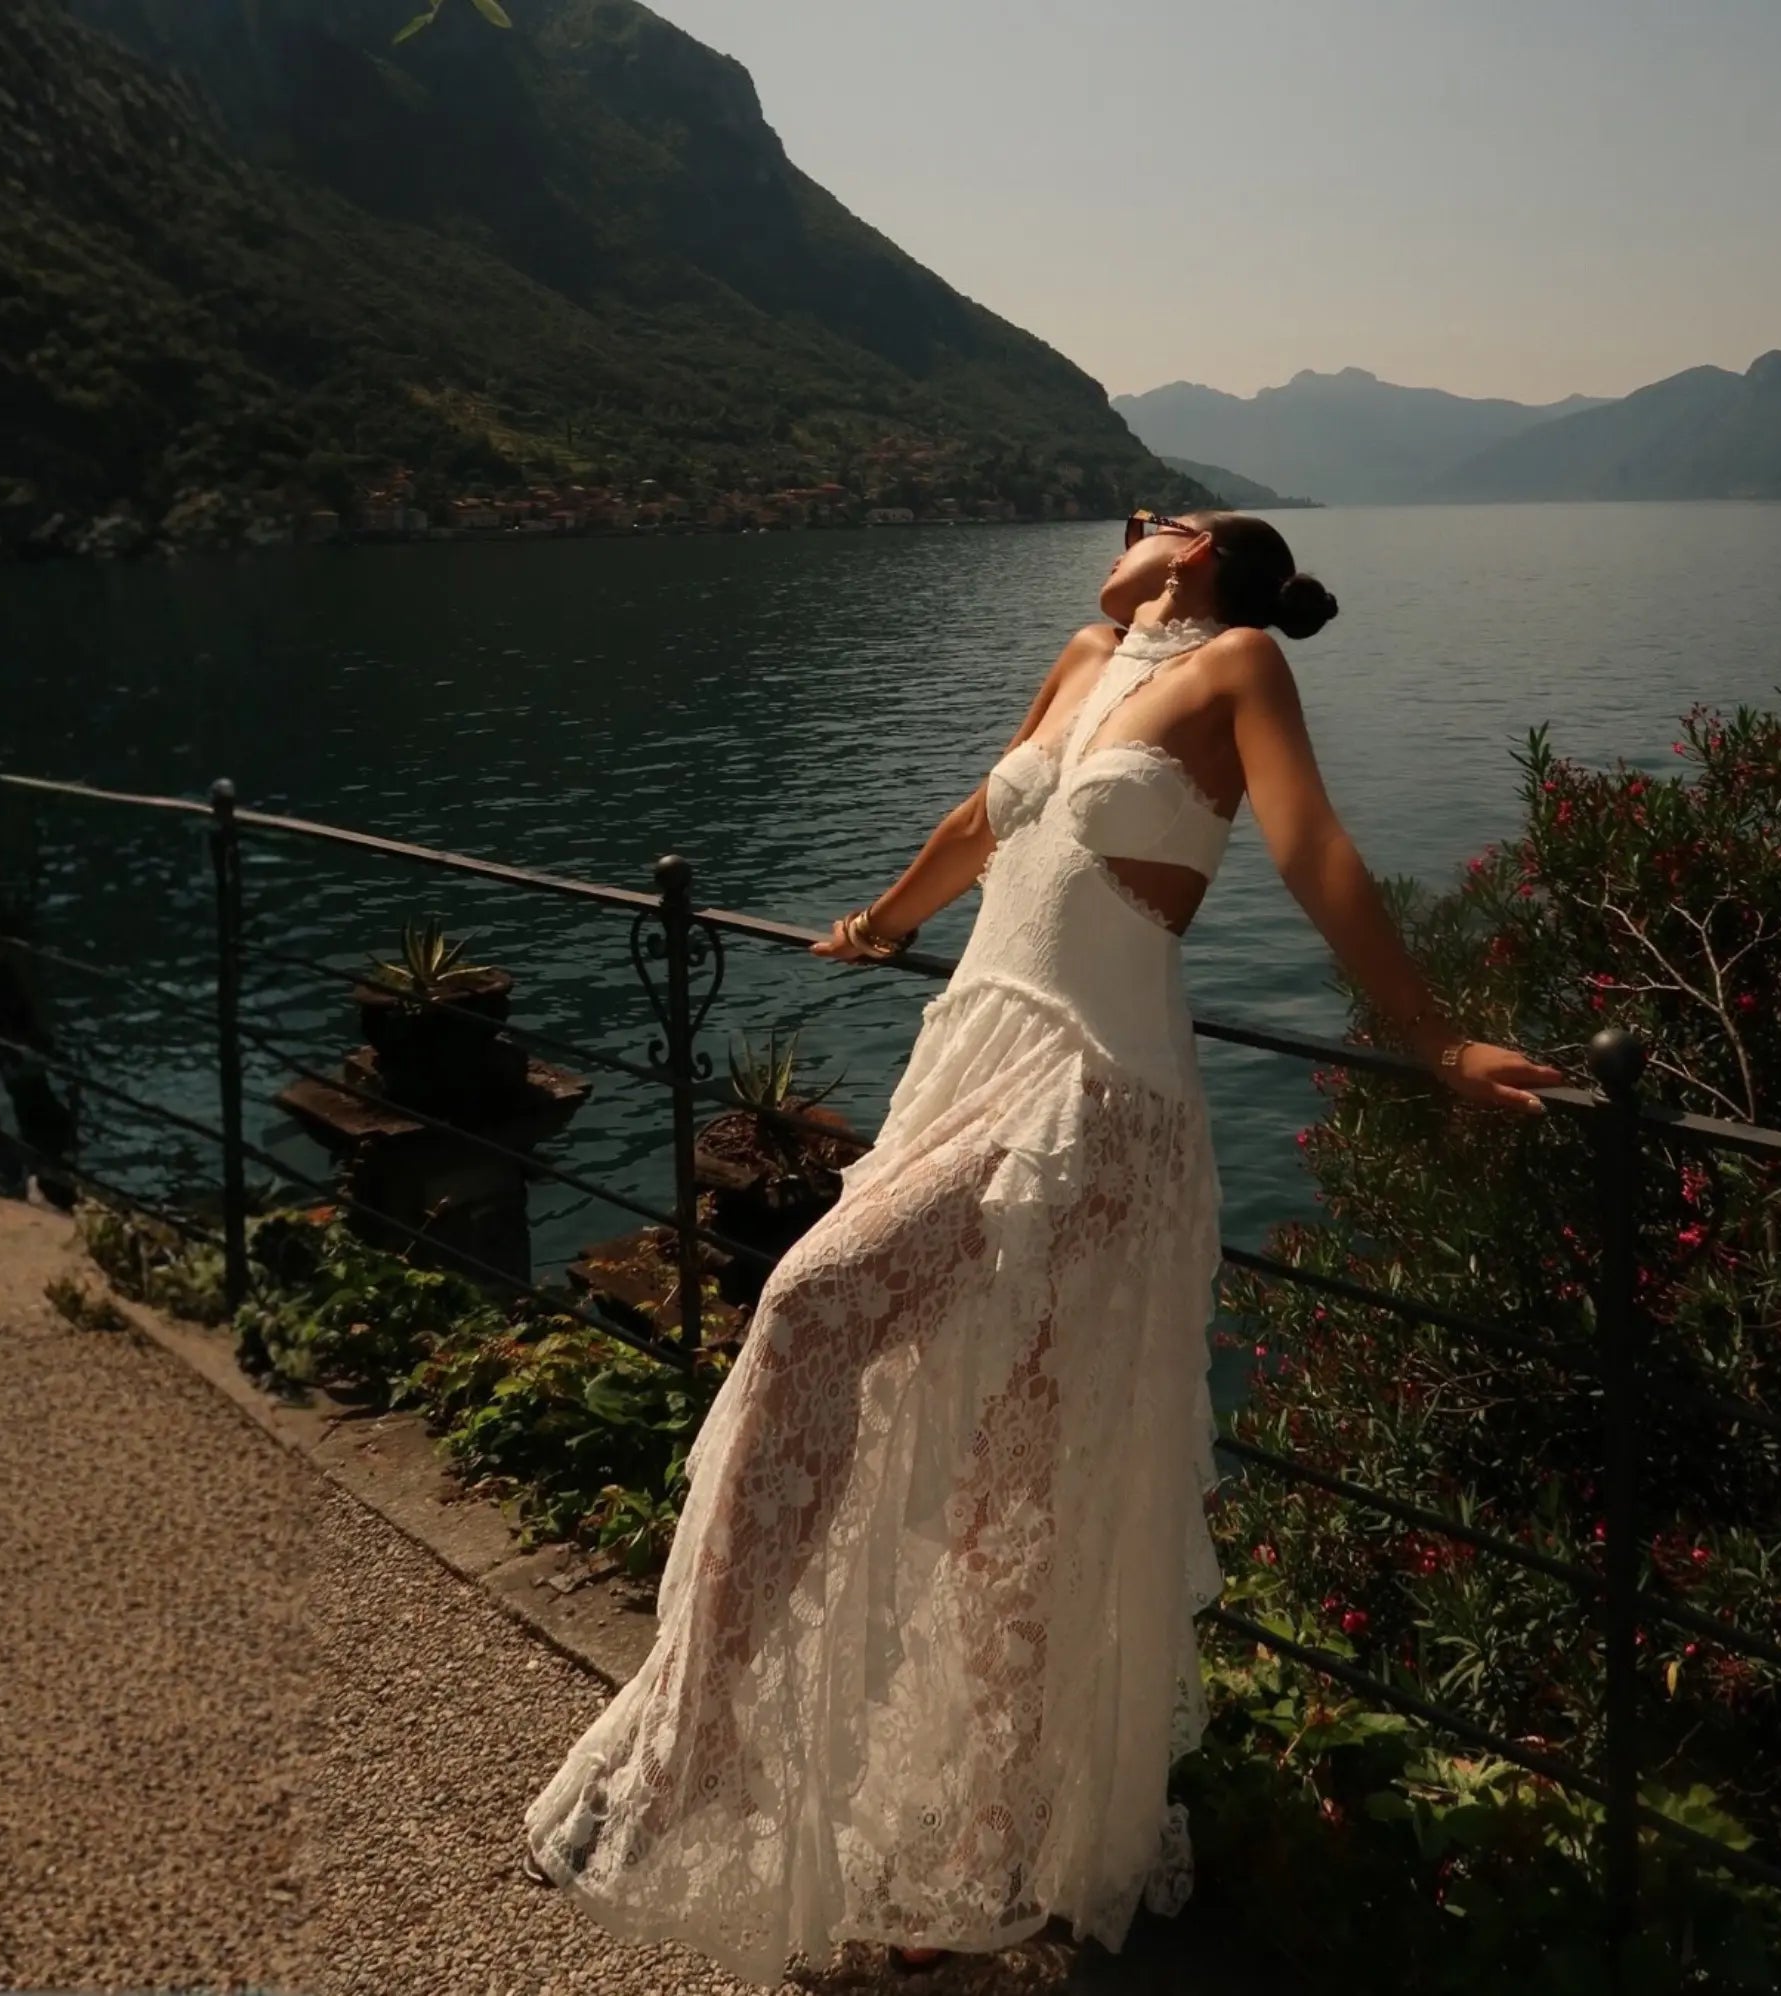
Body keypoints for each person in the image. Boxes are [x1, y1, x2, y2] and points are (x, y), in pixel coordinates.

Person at [521, 509, 1563, 1980]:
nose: (1127, 534)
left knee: (839, 1323)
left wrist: (1434, 1037)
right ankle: (912, 1820)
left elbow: (1313, 848)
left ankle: (720, 1752)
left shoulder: (1244, 666)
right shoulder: (1083, 657)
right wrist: (880, 922)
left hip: (1098, 1093)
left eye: (1154, 523)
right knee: (997, 1452)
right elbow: (982, 820)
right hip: (974, 1059)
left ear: (1197, 554)